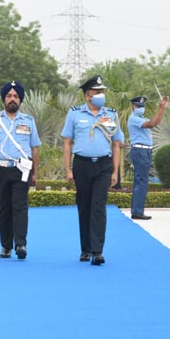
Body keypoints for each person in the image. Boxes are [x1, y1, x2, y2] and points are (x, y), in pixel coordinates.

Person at [61, 75, 124, 265]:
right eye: (97, 92)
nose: (101, 95)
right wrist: (68, 169)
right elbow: (67, 142)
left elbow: (116, 143)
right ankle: (85, 249)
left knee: (98, 207)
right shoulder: (75, 113)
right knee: (84, 206)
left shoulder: (111, 114)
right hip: (82, 165)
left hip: (103, 166)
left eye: (102, 92)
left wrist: (115, 171)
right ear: (88, 95)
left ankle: (97, 251)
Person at [0, 80, 41, 260]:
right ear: (4, 99)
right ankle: (6, 245)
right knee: (4, 207)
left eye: (15, 96)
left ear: (20, 100)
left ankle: (20, 244)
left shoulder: (28, 121)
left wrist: (35, 172)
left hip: (21, 169)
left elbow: (34, 148)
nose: (12, 99)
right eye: (9, 96)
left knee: (20, 206)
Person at [127, 95, 168, 220]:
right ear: (133, 107)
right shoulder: (134, 118)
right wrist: (161, 108)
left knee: (141, 180)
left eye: (142, 106)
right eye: (138, 106)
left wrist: (162, 109)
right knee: (141, 181)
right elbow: (152, 124)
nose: (141, 108)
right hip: (140, 150)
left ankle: (137, 210)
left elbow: (154, 122)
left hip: (144, 151)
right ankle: (137, 211)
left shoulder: (140, 118)